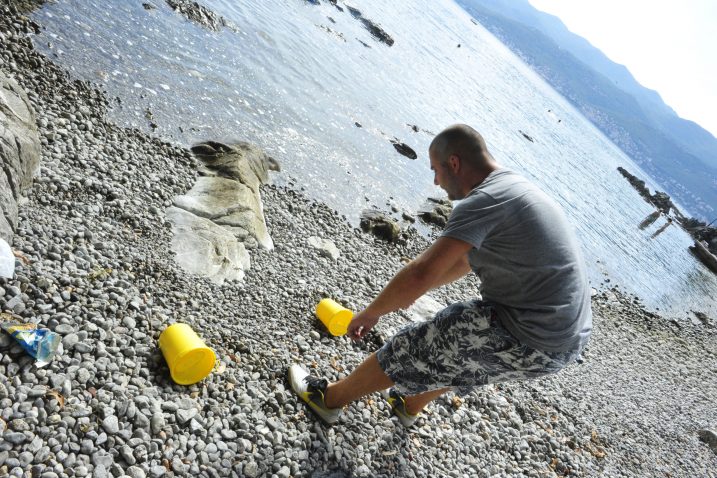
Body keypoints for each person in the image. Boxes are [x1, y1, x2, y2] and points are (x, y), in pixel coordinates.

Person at [289, 124, 592, 426]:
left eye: (435, 170)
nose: (435, 182)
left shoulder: (484, 201)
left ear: (455, 163)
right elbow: (464, 261)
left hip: (532, 334)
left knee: (423, 340)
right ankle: (409, 405)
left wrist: (371, 313)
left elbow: (419, 274)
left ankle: (328, 400)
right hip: (565, 343)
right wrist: (407, 295)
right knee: (469, 355)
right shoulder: (513, 186)